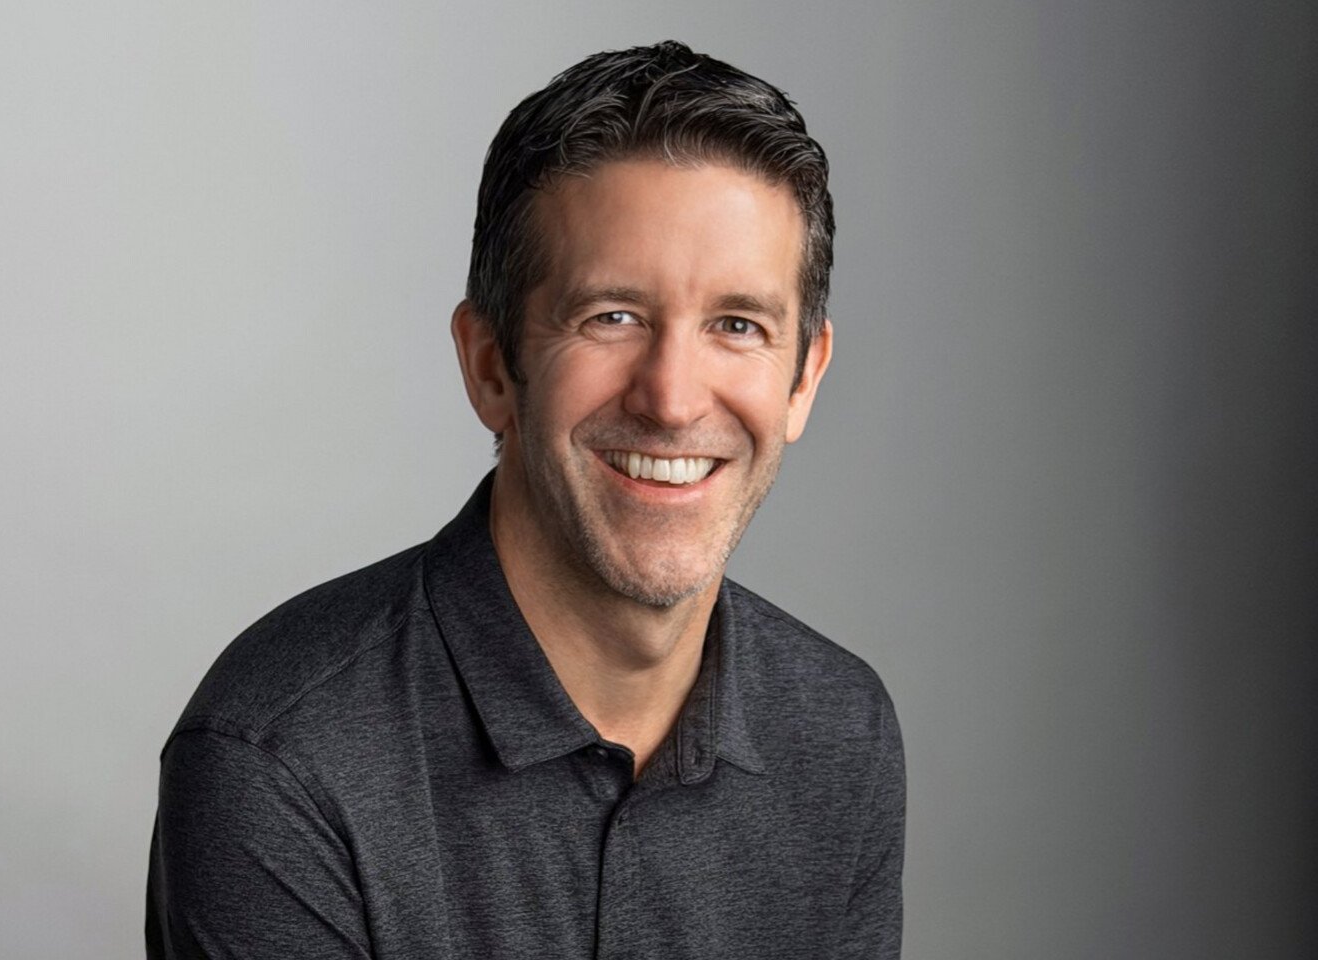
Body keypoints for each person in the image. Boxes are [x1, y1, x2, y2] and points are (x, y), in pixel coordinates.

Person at [146, 40, 904, 959]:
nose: (671, 397)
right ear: (491, 366)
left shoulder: (840, 730)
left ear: (802, 379)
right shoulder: (280, 756)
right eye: (610, 317)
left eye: (736, 326)